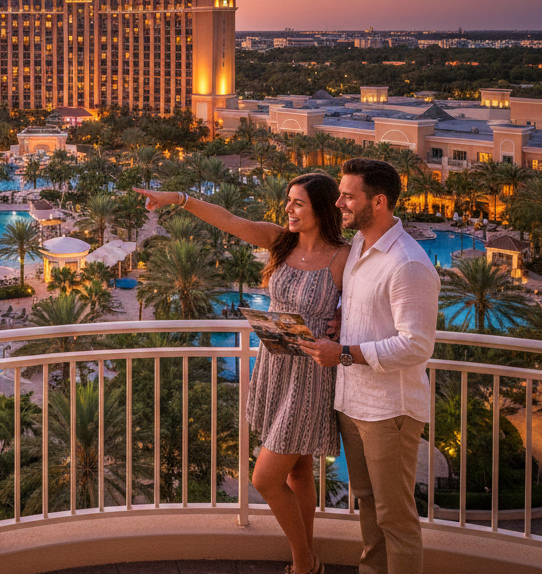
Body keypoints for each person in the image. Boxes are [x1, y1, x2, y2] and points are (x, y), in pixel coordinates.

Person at [136, 173, 348, 574]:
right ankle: (307, 555)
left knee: (266, 479)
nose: (288, 208)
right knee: (299, 471)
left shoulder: (343, 257)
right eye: (288, 200)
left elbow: (370, 301)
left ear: (321, 209)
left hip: (312, 376)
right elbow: (227, 219)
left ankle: (305, 563)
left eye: (298, 203)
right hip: (275, 365)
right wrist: (178, 198)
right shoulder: (280, 241)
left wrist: (343, 317)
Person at [298, 158, 440, 574]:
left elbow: (415, 344)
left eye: (348, 195)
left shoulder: (408, 263)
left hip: (389, 410)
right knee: (367, 503)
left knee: (395, 518)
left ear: (378, 202)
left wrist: (344, 353)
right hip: (353, 402)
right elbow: (367, 309)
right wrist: (343, 317)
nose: (339, 202)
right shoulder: (360, 245)